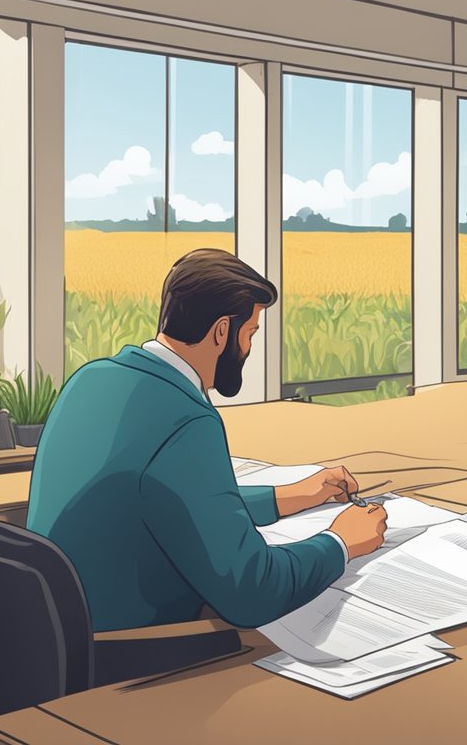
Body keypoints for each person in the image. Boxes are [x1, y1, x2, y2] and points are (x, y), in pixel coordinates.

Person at [28, 249, 388, 630]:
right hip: (128, 648)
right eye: (249, 333)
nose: (248, 348)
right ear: (221, 332)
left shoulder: (92, 379)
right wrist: (341, 542)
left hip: (56, 630)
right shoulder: (188, 419)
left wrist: (289, 496)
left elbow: (169, 501)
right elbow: (254, 591)